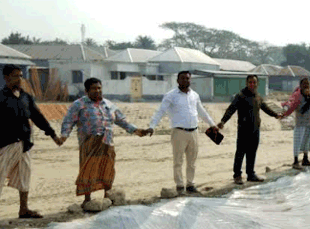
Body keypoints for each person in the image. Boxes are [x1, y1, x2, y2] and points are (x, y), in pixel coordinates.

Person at [60, 78, 146, 210]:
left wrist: (136, 130)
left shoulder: (109, 104)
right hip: (89, 143)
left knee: (107, 168)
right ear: (87, 90)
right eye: (94, 88)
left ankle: (107, 196)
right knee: (88, 169)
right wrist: (64, 135)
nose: (97, 91)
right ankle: (87, 199)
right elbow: (68, 121)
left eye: (99, 88)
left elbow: (121, 120)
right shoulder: (79, 104)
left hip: (107, 142)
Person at [0, 65, 62, 219]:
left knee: (24, 176)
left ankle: (24, 209)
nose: (19, 79)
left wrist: (52, 134)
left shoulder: (26, 97)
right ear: (6, 77)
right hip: (6, 143)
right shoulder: (1, 97)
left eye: (21, 76)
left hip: (25, 143)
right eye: (15, 76)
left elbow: (37, 116)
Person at [148, 71, 218, 193]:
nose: (185, 80)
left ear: (190, 80)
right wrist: (152, 126)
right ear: (178, 80)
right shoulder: (171, 95)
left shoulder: (194, 95)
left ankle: (190, 184)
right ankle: (180, 185)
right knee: (178, 161)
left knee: (192, 161)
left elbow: (202, 112)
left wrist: (212, 124)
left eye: (187, 78)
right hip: (179, 133)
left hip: (194, 132)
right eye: (183, 78)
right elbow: (160, 111)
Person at [218, 74, 280, 184]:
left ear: (257, 84)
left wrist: (276, 115)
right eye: (250, 82)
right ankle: (237, 175)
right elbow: (231, 109)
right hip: (243, 129)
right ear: (247, 83)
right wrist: (223, 121)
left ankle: (250, 174)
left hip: (255, 129)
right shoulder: (241, 95)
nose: (252, 84)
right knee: (240, 152)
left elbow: (265, 108)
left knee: (252, 152)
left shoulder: (258, 96)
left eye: (254, 82)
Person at [280, 78, 310, 169]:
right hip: (301, 123)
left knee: (307, 141)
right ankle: (296, 161)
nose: (306, 85)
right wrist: (284, 113)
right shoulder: (297, 95)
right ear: (300, 85)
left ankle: (305, 159)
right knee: (298, 141)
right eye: (304, 84)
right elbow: (291, 105)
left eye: (307, 84)